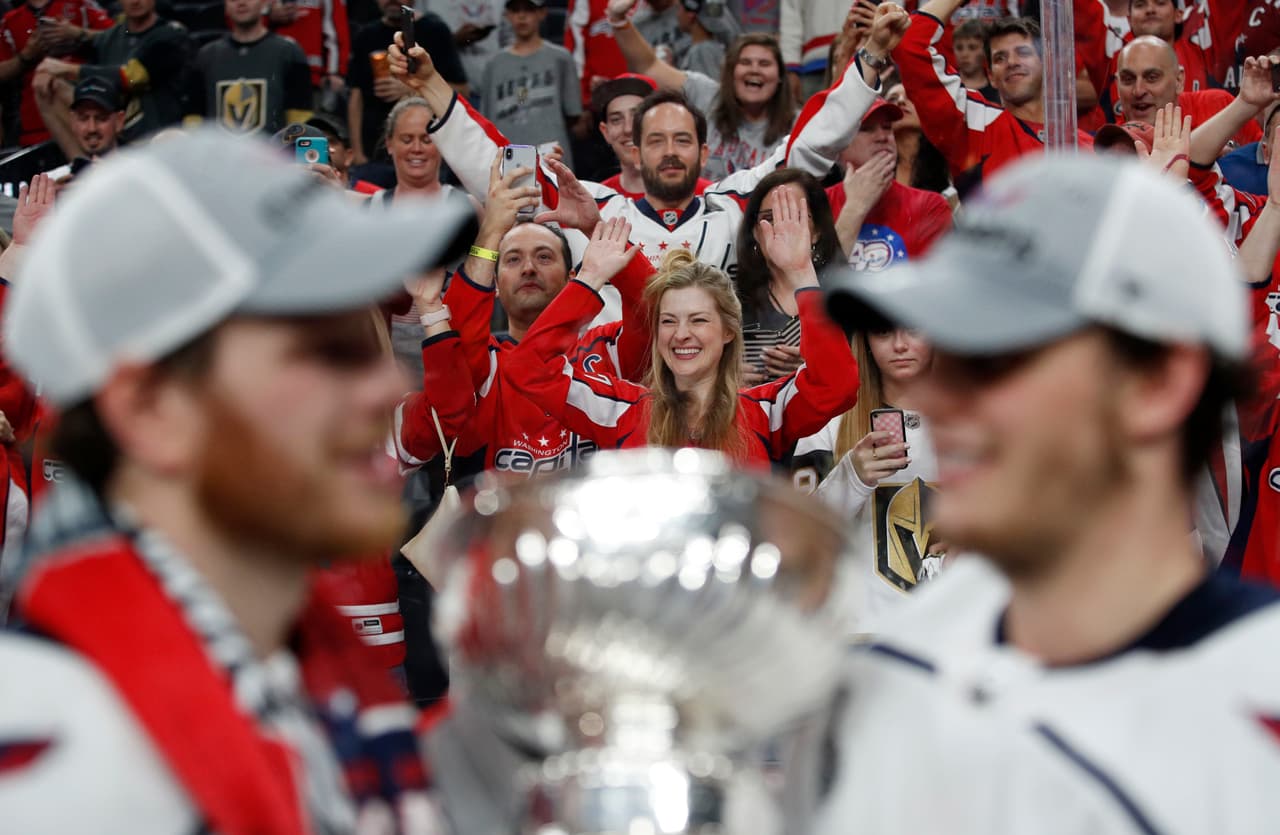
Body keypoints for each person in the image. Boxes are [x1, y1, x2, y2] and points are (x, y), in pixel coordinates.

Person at [0, 128, 469, 830]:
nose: (383, 387)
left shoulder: (315, 675)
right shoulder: (62, 764)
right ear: (152, 409)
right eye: (321, 351)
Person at [816, 152, 1279, 833]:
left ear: (1156, 385)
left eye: (996, 360)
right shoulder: (898, 666)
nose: (939, 401)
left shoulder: (1257, 714)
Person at [388, 2, 906, 272]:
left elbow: (809, 145)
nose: (670, 152)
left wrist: (872, 57)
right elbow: (502, 169)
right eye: (656, 141)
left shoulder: (736, 203)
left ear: (705, 152)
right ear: (635, 149)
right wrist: (430, 85)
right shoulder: (591, 205)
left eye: (683, 140)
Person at [505, 193, 859, 466]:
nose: (681, 334)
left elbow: (837, 386)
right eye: (668, 321)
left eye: (699, 320)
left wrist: (801, 274)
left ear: (729, 331)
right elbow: (529, 369)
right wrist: (590, 278)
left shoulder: (766, 411)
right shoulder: (619, 409)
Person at [799, 319, 940, 634]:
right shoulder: (826, 425)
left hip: (954, 629)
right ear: (865, 341)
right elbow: (800, 541)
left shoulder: (973, 424)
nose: (900, 345)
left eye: (913, 328)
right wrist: (851, 477)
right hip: (861, 632)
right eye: (883, 331)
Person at [890, 1, 1093, 192]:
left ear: (1047, 66)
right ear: (991, 77)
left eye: (1023, 52)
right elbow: (909, 42)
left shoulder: (1089, 147)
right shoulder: (974, 125)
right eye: (1000, 58)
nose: (1012, 62)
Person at [610, 0, 796, 180]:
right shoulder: (707, 95)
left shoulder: (797, 124)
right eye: (745, 62)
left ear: (780, 76)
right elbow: (649, 66)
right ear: (731, 72)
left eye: (764, 64)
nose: (754, 70)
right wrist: (619, 21)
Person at [32, 0, 193, 145]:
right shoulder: (110, 38)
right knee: (50, 85)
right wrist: (50, 74)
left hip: (160, 137)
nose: (135, 1)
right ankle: (82, 163)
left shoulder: (171, 35)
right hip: (115, 135)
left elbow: (133, 78)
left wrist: (67, 69)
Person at [734, 169, 841, 385]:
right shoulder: (730, 302)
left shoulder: (846, 300)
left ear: (817, 231)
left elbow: (864, 378)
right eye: (769, 218)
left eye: (793, 216)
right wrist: (724, 379)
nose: (781, 227)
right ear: (755, 232)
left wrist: (816, 368)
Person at [827, 95, 953, 272]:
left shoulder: (930, 206)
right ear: (840, 146)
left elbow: (933, 283)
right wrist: (854, 209)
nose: (883, 137)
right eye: (866, 129)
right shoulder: (818, 204)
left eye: (887, 127)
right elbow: (816, 282)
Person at [347, 0, 466, 167]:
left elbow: (462, 91)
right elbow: (355, 96)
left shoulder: (435, 31)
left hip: (427, 151)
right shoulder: (365, 35)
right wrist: (357, 153)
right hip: (372, 152)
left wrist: (413, 89)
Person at [478, 0, 584, 169]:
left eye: (528, 10)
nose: (522, 16)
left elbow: (574, 114)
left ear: (542, 13)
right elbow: (487, 123)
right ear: (507, 15)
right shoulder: (493, 65)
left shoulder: (561, 59)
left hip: (551, 152)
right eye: (516, 10)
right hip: (509, 154)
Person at [183, 0, 314, 134]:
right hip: (219, 146)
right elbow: (193, 118)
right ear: (225, 6)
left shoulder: (289, 52)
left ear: (264, 3)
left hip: (272, 146)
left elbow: (300, 118)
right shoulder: (206, 56)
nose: (241, 2)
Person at [0, 0, 114, 146]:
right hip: (33, 131)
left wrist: (77, 34)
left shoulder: (80, 4)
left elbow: (121, 36)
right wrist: (25, 57)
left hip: (85, 120)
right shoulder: (10, 20)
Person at [1114, 35, 1260, 148]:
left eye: (1152, 78)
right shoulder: (1111, 146)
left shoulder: (1219, 107)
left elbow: (1264, 157)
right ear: (1117, 85)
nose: (1138, 91)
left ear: (1179, 80)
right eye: (1128, 79)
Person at [952, 18, 998, 101]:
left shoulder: (997, 90)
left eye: (972, 48)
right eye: (959, 48)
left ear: (985, 50)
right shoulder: (947, 88)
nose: (964, 54)